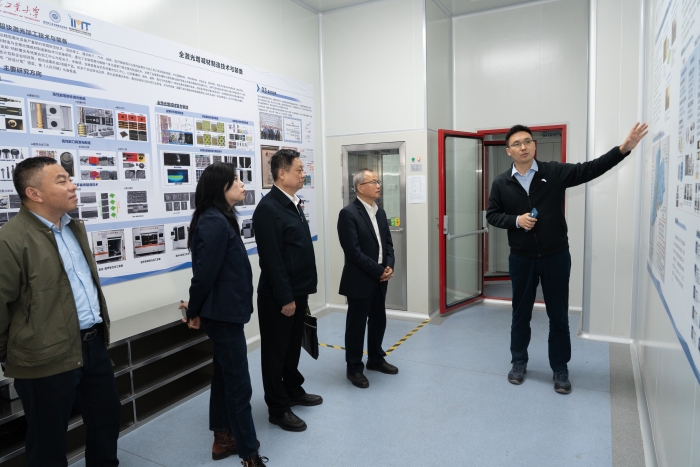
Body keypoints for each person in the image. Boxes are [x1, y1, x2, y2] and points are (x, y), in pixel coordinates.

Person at [486, 123, 648, 394]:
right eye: (517, 144)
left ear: (534, 145)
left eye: (527, 141)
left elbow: (590, 169)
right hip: (522, 259)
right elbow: (492, 215)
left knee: (558, 315)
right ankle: (518, 361)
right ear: (508, 151)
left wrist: (622, 150)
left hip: (556, 256)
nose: (523, 147)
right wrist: (516, 220)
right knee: (520, 313)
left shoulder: (553, 172)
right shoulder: (501, 182)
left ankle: (560, 367)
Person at [0, 156, 121, 466]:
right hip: (43, 356)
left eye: (70, 179)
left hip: (92, 345)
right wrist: (13, 355)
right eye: (62, 181)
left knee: (107, 420)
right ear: (34, 193)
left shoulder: (73, 228)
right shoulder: (10, 240)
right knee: (48, 441)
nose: (73, 186)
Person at [178, 162, 267, 467]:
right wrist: (194, 309)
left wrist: (197, 308)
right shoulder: (213, 222)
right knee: (239, 385)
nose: (242, 184)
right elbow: (204, 275)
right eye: (236, 180)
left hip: (226, 312)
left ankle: (222, 438)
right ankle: (249, 455)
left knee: (223, 376)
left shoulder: (220, 217)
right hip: (223, 316)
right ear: (221, 187)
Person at [253, 149, 320, 432]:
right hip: (279, 297)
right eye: (299, 170)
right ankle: (278, 408)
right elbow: (272, 260)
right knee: (275, 352)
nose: (304, 174)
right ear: (282, 173)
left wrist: (300, 292)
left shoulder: (292, 203)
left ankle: (293, 389)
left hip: (297, 291)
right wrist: (286, 297)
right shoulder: (268, 209)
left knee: (293, 346)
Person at [338, 169, 397, 388]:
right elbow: (353, 252)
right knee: (356, 324)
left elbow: (388, 243)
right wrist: (378, 271)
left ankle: (375, 359)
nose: (378, 185)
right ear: (360, 187)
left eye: (378, 181)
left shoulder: (379, 212)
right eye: (373, 182)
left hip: (380, 277)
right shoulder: (348, 214)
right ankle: (354, 368)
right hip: (360, 278)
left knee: (378, 319)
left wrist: (389, 265)